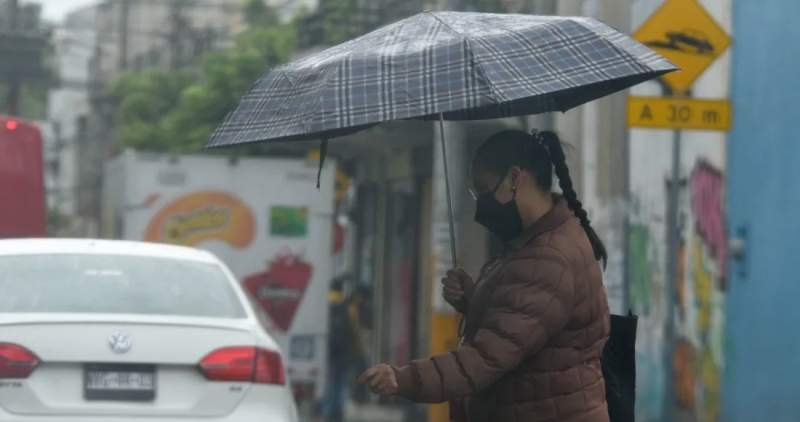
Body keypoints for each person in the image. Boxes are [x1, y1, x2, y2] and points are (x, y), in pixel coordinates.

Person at [358, 130, 611, 422]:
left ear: (515, 178)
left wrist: (402, 379)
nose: (480, 202)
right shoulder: (542, 240)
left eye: (482, 190)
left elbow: (485, 358)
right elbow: (523, 321)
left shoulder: (548, 258)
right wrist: (475, 298)